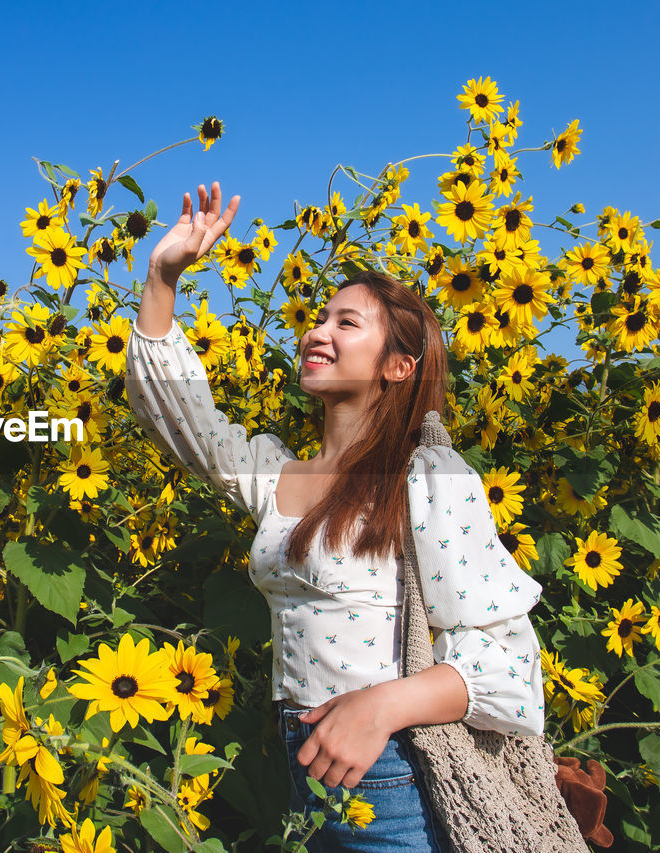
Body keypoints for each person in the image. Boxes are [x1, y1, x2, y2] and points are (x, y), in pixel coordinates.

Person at [124, 183, 547, 852]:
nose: (317, 331)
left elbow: (507, 659)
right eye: (320, 318)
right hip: (307, 774)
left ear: (399, 365)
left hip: (393, 777)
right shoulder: (280, 475)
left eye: (347, 323)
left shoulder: (427, 479)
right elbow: (178, 417)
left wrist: (378, 707)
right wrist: (163, 273)